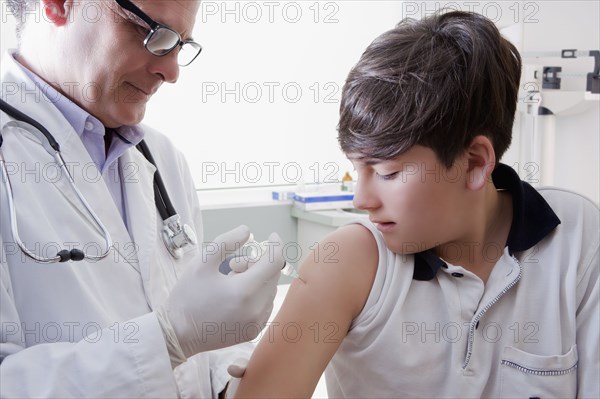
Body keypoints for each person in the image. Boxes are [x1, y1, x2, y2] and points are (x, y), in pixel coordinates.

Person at [233, 10, 599, 398]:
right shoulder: (349, 262)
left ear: (475, 162)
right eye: (358, 168)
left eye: (388, 173)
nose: (362, 199)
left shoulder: (577, 235)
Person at [0, 0, 285, 396]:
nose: (171, 72)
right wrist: (167, 339)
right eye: (153, 34)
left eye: (181, 45)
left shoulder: (162, 159)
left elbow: (196, 342)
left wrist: (227, 376)